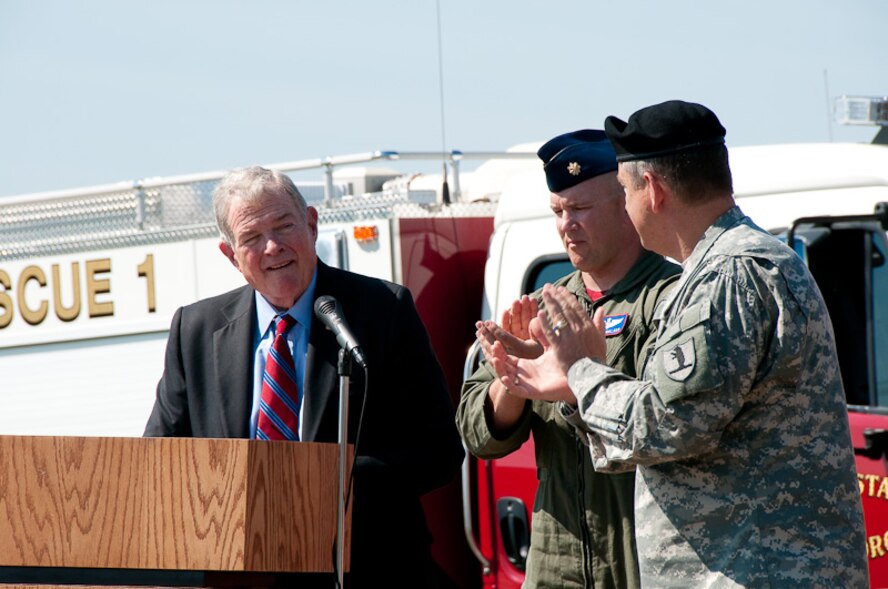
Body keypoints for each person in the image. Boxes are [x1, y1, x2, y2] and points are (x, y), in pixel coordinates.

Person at [491, 100, 869, 587]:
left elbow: (665, 424)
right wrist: (572, 384)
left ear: (652, 189)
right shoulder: (731, 268)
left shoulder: (729, 276)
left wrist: (582, 373)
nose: (627, 208)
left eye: (623, 191)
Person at [144, 166, 465, 588]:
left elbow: (438, 449)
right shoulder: (196, 330)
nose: (273, 247)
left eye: (284, 226)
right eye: (252, 238)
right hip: (243, 573)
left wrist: (323, 490)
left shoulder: (382, 310)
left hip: (371, 569)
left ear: (311, 225)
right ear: (230, 255)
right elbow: (158, 463)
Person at [457, 130, 680, 589]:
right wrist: (513, 375)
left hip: (640, 560)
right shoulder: (543, 307)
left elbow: (667, 421)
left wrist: (575, 379)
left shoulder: (670, 298)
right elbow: (477, 435)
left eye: (580, 209)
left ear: (624, 205)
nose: (566, 224)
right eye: (557, 211)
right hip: (554, 564)